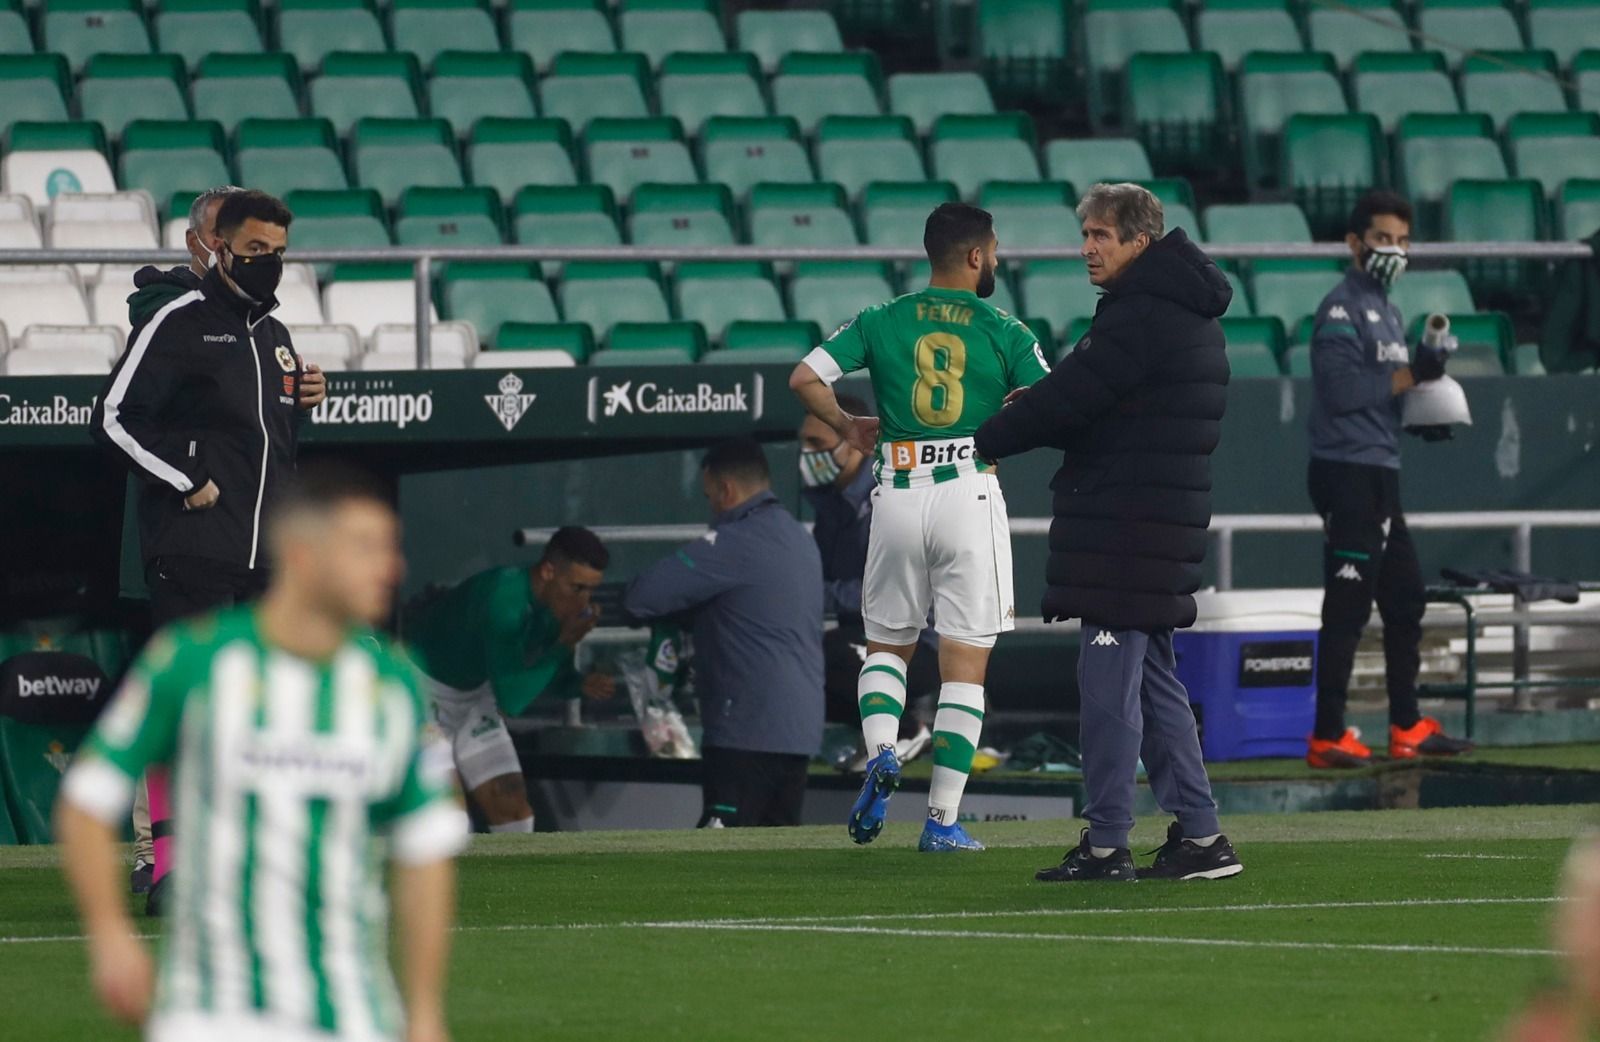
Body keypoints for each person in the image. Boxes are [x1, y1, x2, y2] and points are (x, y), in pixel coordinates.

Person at [54, 463, 467, 1042]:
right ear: (301, 554)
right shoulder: (191, 660)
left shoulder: (392, 684)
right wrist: (110, 937)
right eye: (364, 548)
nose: (391, 567)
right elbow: (85, 802)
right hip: (207, 1017)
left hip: (351, 1016)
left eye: (389, 548)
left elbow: (425, 852)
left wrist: (423, 1010)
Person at [974, 182, 1243, 882]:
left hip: (1127, 531)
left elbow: (1074, 398)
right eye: (1085, 234)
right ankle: (1203, 838)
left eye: (1101, 235)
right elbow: (1102, 397)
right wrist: (1043, 402)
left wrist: (986, 435)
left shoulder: (1143, 313)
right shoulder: (1173, 309)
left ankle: (1105, 843)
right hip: (1149, 527)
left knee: (1107, 688)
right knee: (1154, 685)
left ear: (1140, 243)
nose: (1088, 247)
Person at [91, 188, 326, 914]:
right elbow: (112, 420)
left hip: (261, 557)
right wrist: (187, 477)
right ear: (216, 248)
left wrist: (303, 397)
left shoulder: (275, 333)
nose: (269, 266)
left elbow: (267, 445)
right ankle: (167, 865)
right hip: (194, 549)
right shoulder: (179, 320)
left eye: (278, 254)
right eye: (256, 252)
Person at [789, 202, 1051, 853]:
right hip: (968, 487)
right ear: (974, 256)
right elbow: (1053, 403)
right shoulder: (1004, 327)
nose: (996, 259)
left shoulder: (882, 319)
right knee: (965, 665)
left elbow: (805, 377)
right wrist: (1008, 416)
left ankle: (881, 751)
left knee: (886, 646)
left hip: (898, 491)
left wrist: (850, 425)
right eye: (993, 249)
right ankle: (940, 821)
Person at [1304, 190, 1473, 769]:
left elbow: (1386, 394)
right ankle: (1327, 734)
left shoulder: (1391, 311)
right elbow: (1342, 393)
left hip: (1380, 467)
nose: (1394, 250)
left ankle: (1407, 724)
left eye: (1403, 241)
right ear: (1355, 243)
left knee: (1405, 599)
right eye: (1383, 239)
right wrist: (1409, 376)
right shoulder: (1339, 309)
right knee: (1348, 605)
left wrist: (1427, 410)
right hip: (1346, 470)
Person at [624, 439, 825, 828]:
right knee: (774, 868)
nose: (710, 506)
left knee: (716, 864)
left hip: (745, 732)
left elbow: (641, 597)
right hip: (799, 735)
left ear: (726, 490)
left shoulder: (734, 542)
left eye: (709, 495)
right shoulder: (801, 539)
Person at [402, 528, 617, 833]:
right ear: (548, 571)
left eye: (591, 591)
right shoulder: (503, 600)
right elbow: (512, 700)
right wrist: (565, 645)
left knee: (516, 814)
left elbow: (549, 678)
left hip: (475, 698)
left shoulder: (554, 608)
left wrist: (579, 683)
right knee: (447, 822)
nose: (584, 602)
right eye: (577, 588)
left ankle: (513, 883)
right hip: (422, 699)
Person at [798, 392, 935, 769]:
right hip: (862, 639)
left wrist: (811, 595)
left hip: (917, 645)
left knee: (831, 650)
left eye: (817, 444)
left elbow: (883, 593)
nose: (805, 455)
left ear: (857, 443)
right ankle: (876, 737)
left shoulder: (888, 497)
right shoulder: (830, 509)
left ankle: (909, 729)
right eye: (803, 443)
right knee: (794, 655)